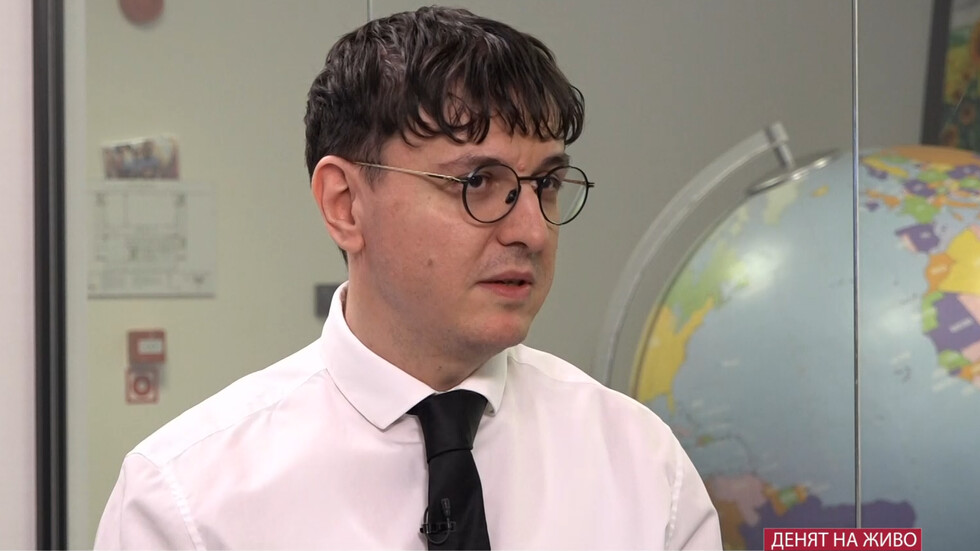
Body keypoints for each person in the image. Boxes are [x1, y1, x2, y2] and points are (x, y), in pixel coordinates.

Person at [94, 6, 722, 550]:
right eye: (478, 182)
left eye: (548, 184)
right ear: (345, 204)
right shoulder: (185, 502)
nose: (532, 231)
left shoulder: (641, 467)